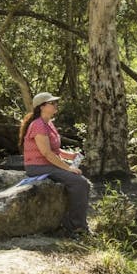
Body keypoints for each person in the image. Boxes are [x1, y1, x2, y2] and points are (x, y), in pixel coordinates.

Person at [19, 92, 91, 237]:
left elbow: (55, 150)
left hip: (50, 164)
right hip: (39, 167)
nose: (55, 105)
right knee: (81, 183)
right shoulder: (38, 125)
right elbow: (46, 153)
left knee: (80, 180)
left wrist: (72, 156)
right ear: (42, 107)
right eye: (52, 103)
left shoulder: (49, 124)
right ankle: (77, 226)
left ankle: (71, 221)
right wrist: (68, 167)